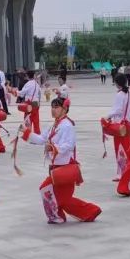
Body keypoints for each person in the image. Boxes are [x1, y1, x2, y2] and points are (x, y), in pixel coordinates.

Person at [22, 96, 101, 224]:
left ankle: (59, 216)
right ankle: (90, 211)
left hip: (65, 167)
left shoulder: (67, 125)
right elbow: (41, 139)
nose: (53, 110)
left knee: (47, 190)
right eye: (52, 107)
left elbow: (69, 145)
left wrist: (53, 147)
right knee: (62, 199)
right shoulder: (53, 125)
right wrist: (26, 133)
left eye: (56, 107)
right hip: (56, 167)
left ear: (64, 109)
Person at [104, 73, 130, 182]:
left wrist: (107, 116)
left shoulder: (120, 94)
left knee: (120, 149)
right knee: (128, 149)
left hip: (120, 126)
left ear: (117, 83)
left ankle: (122, 173)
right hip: (128, 123)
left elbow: (117, 110)